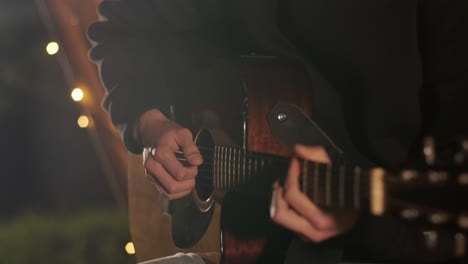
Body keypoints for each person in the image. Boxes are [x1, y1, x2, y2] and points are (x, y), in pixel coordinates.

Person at [88, 0, 468, 263]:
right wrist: (148, 121)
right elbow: (125, 29)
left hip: (382, 245)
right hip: (224, 243)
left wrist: (363, 227)